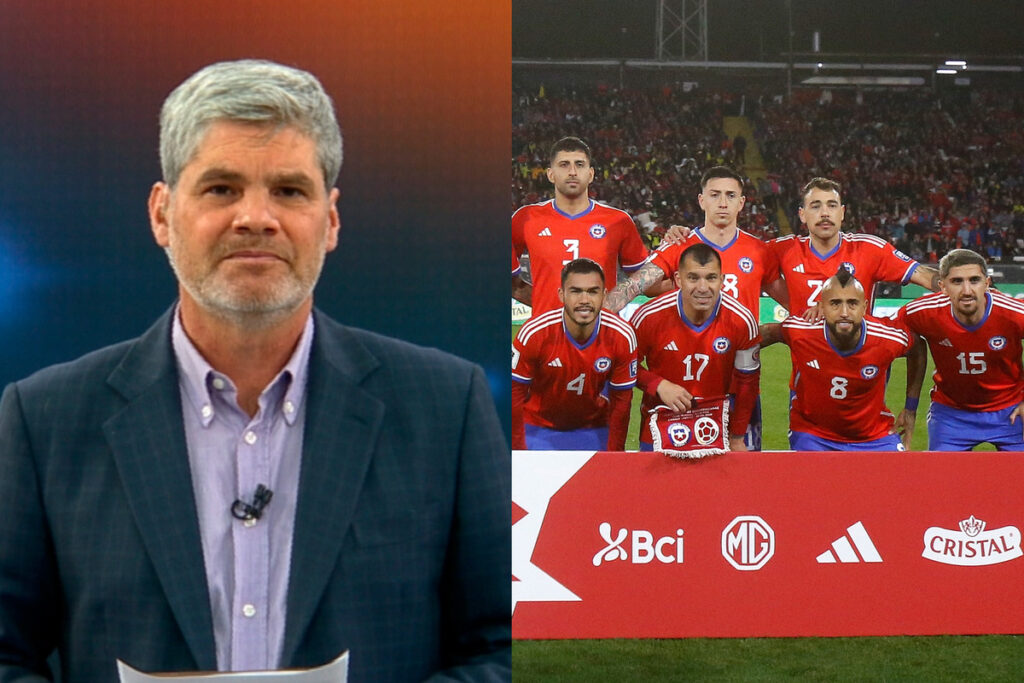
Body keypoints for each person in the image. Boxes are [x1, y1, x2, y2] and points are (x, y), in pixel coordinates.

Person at [0, 60, 510, 682]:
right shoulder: (44, 418)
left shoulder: (443, 407)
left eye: (290, 191)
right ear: (162, 214)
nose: (256, 217)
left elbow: (502, 647)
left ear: (332, 220)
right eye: (221, 188)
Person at [605, 166, 787, 450]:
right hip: (681, 387)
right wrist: (602, 312)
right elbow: (635, 285)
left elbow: (795, 305)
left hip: (739, 386)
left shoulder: (759, 251)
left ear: (742, 203)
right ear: (702, 200)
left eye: (730, 195)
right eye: (715, 195)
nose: (723, 203)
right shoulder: (679, 246)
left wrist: (770, 332)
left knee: (740, 481)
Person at [761, 267, 924, 451]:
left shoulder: (888, 337)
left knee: (900, 477)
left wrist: (911, 407)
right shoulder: (801, 331)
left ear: (864, 307)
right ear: (821, 307)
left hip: (874, 435)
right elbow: (764, 334)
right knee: (814, 480)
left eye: (852, 303)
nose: (844, 312)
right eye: (835, 303)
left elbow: (917, 348)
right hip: (813, 434)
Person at [630, 243, 761, 452]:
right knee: (657, 486)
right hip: (660, 423)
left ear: (722, 280)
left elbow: (748, 383)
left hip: (717, 427)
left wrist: (737, 436)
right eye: (693, 278)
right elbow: (623, 366)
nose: (702, 287)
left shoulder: (741, 320)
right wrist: (658, 385)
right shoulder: (649, 317)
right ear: (678, 280)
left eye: (711, 278)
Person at [896, 249, 1024, 450]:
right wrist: (910, 408)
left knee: (1017, 480)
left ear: (987, 284)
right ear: (942, 286)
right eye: (957, 281)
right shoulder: (921, 313)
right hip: (951, 414)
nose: (967, 290)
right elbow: (884, 338)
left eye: (974, 280)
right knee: (944, 480)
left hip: (1011, 411)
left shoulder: (1013, 312)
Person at [511, 136, 649, 316]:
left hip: (602, 335)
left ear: (590, 174)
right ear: (550, 174)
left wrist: (678, 249)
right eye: (564, 165)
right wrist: (542, 303)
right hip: (547, 336)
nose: (573, 172)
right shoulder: (525, 218)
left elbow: (644, 281)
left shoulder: (618, 220)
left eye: (580, 164)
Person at [511, 259, 636, 450]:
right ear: (562, 295)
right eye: (575, 291)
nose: (584, 300)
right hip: (537, 427)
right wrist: (518, 451)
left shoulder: (622, 335)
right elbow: (514, 395)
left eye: (592, 291)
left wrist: (615, 453)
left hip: (595, 428)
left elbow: (622, 402)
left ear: (604, 296)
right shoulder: (535, 333)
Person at [771, 178, 939, 316]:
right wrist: (794, 307)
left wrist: (960, 294)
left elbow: (924, 276)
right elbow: (747, 260)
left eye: (832, 205)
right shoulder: (785, 249)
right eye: (815, 206)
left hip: (859, 353)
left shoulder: (869, 249)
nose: (824, 213)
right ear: (802, 214)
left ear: (842, 212)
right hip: (808, 353)